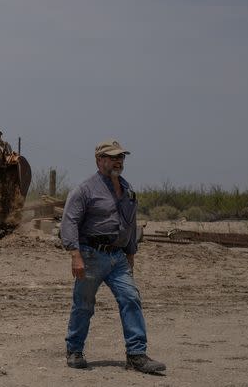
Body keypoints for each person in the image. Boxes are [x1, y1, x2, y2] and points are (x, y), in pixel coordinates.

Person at [61, 139, 165, 374]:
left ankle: (137, 355)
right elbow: (69, 222)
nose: (119, 161)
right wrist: (75, 256)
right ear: (99, 160)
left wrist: (130, 253)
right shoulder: (84, 190)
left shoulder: (128, 191)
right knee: (84, 305)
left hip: (118, 258)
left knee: (130, 299)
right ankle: (74, 350)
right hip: (90, 255)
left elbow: (130, 224)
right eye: (113, 157)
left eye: (121, 157)